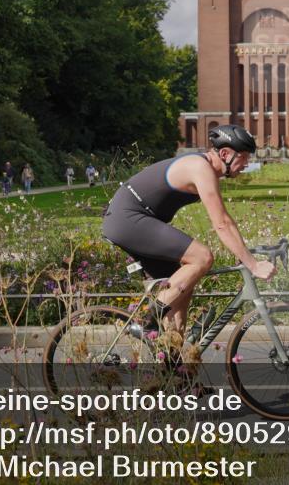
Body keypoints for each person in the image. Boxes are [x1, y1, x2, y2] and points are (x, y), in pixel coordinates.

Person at [103, 124, 276, 341]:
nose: (247, 164)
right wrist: (252, 264)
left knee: (182, 289)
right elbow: (222, 223)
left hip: (135, 220)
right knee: (202, 257)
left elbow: (225, 222)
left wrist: (246, 251)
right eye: (243, 157)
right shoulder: (199, 167)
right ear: (225, 154)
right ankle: (147, 322)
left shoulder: (205, 169)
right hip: (128, 218)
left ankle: (172, 359)